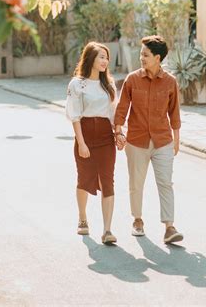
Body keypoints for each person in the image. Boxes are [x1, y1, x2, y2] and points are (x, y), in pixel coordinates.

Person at [114, 35, 183, 244]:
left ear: (157, 57)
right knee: (136, 183)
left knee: (165, 183)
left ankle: (169, 227)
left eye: (145, 54)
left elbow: (175, 112)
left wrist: (177, 139)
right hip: (136, 140)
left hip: (163, 140)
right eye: (141, 54)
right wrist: (118, 131)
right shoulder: (132, 79)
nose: (141, 58)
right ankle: (137, 220)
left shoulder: (170, 82)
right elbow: (122, 107)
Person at [66, 41, 118, 244]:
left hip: (106, 137)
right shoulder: (77, 84)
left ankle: (107, 230)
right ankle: (82, 218)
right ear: (91, 59)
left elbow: (113, 113)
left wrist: (119, 132)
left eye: (107, 57)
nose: (105, 61)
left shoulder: (109, 84)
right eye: (101, 57)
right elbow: (75, 115)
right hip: (85, 134)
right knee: (84, 178)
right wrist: (81, 143)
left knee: (108, 180)